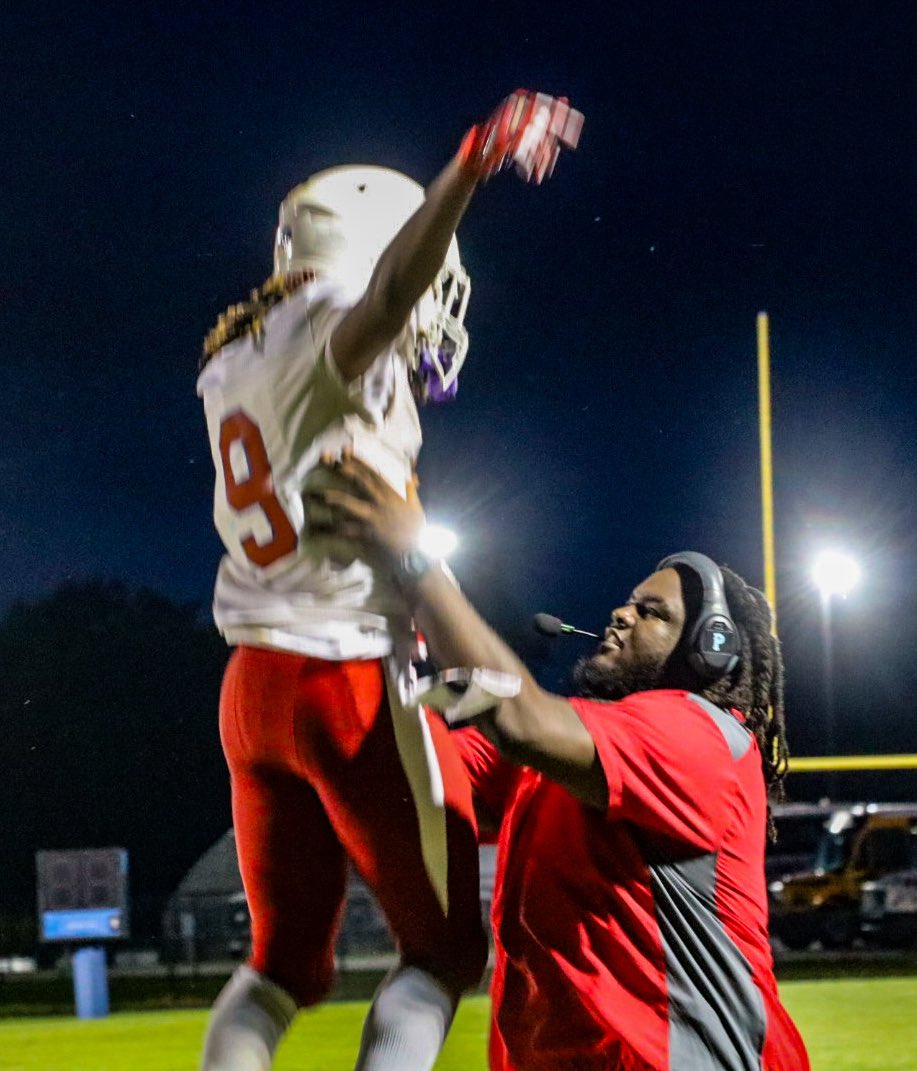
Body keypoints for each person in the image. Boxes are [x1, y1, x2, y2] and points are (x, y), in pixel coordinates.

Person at [195, 91, 583, 1071]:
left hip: (251, 686)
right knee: (443, 951)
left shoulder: (239, 352)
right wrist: (468, 168)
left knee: (282, 966)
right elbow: (382, 300)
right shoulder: (328, 322)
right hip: (342, 678)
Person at [317, 453, 812, 1071]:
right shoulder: (569, 747)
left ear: (708, 650)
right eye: (630, 603)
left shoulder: (698, 734)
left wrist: (415, 563)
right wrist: (354, 632)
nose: (622, 614)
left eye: (653, 613)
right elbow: (411, 776)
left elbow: (518, 716)